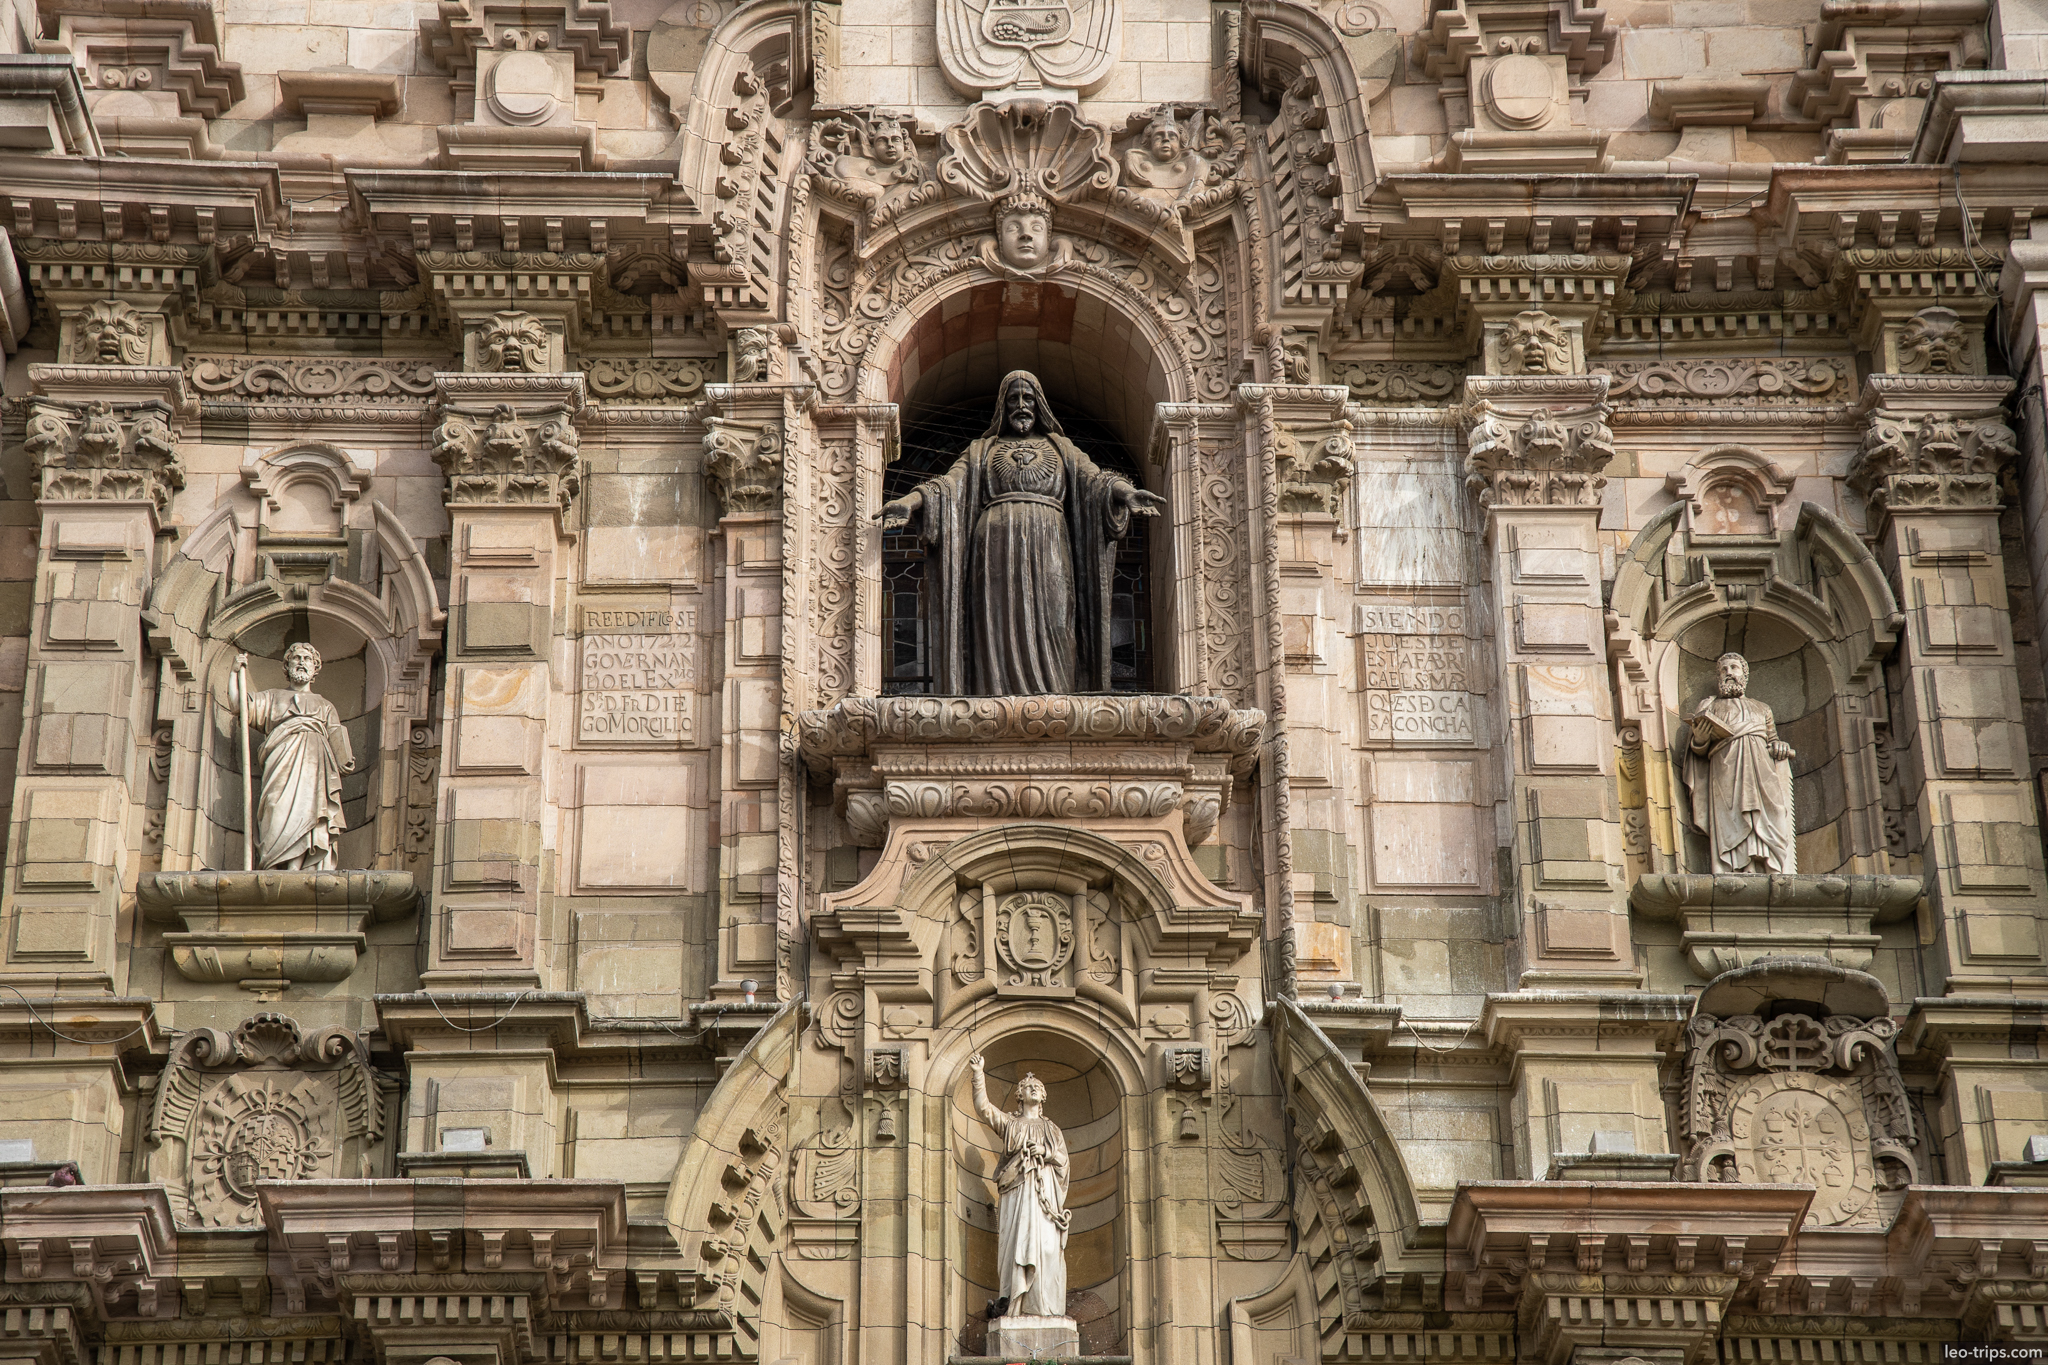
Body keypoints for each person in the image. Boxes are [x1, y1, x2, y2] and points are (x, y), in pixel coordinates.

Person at [879, 372, 1163, 694]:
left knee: (1057, 623)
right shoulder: (981, 450)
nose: (1021, 406)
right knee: (997, 625)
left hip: (1050, 543)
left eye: (1027, 398)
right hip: (995, 547)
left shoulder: (1061, 447)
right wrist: (909, 501)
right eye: (1013, 399)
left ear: (1038, 404)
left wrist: (1126, 493)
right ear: (1003, 406)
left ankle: (1059, 696)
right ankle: (994, 696)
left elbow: (1096, 480)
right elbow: (948, 487)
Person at [230, 643, 354, 871]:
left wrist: (344, 760)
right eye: (296, 658)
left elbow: (338, 737)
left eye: (307, 659)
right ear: (287, 665)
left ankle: (302, 866)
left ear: (315, 668)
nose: (301, 662)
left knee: (313, 809)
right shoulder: (272, 697)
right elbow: (240, 706)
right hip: (281, 762)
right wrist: (234, 673)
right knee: (275, 806)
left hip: (314, 765)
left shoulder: (325, 705)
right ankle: (278, 865)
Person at [969, 1054, 1070, 1321]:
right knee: (1017, 1246)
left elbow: (1063, 1161)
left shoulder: (1052, 1129)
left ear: (1044, 1096)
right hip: (1016, 1192)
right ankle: (1015, 1304)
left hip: (1045, 1197)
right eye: (1028, 1086)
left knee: (1047, 1248)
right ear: (1019, 1096)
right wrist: (979, 1074)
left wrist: (1045, 1152)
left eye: (1038, 1086)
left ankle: (1044, 1305)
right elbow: (984, 1108)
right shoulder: (1011, 1124)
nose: (1033, 1087)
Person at [1682, 652, 1796, 874]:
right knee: (1732, 818)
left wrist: (1779, 746)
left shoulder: (1762, 708)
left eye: (1734, 668)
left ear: (1745, 674)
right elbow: (1697, 748)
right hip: (1726, 770)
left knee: (1769, 814)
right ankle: (1736, 867)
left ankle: (1769, 863)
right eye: (1723, 670)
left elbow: (1773, 740)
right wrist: (1701, 739)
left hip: (1761, 771)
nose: (1729, 673)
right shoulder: (1710, 706)